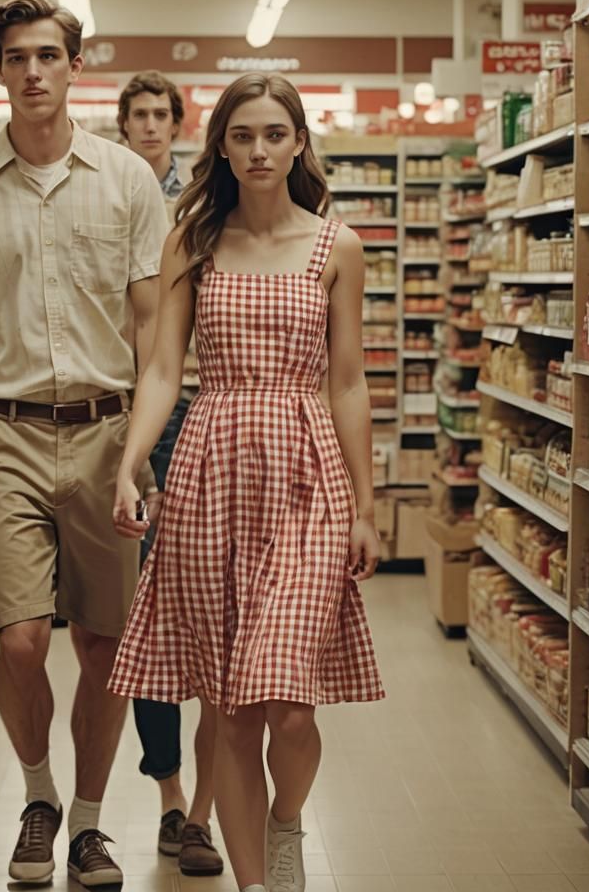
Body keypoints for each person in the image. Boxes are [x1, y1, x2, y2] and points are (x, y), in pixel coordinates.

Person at [108, 73, 385, 892]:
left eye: (274, 134)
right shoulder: (191, 239)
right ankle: (256, 883)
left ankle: (287, 819)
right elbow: (163, 368)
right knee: (230, 706)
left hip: (308, 478)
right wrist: (131, 463)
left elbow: (347, 382)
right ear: (220, 146)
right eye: (242, 136)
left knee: (290, 705)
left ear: (299, 141)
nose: (258, 150)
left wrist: (366, 508)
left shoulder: (337, 246)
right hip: (210, 471)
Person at [0, 0, 167, 888]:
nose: (33, 73)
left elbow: (150, 331)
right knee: (21, 643)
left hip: (106, 439)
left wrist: (142, 457)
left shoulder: (128, 181)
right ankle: (37, 796)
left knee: (103, 648)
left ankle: (91, 825)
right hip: (7, 436)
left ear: (74, 66)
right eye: (17, 58)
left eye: (48, 57)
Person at [117, 72, 222, 875]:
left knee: (203, 603)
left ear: (177, 125)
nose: (150, 125)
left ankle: (209, 805)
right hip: (113, 407)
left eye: (162, 115)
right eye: (139, 114)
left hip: (194, 411)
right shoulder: (104, 193)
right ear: (121, 124)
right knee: (145, 613)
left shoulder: (204, 200)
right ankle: (172, 797)